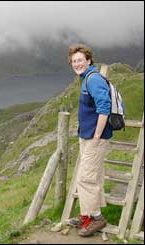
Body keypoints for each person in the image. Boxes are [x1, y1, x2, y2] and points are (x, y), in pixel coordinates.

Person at [68, 44, 112, 237]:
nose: (77, 64)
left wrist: (96, 136)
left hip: (95, 139)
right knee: (93, 177)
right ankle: (87, 214)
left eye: (80, 60)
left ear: (88, 60)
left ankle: (97, 218)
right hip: (86, 137)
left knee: (85, 179)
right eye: (74, 61)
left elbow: (105, 107)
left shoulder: (93, 79)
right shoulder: (86, 78)